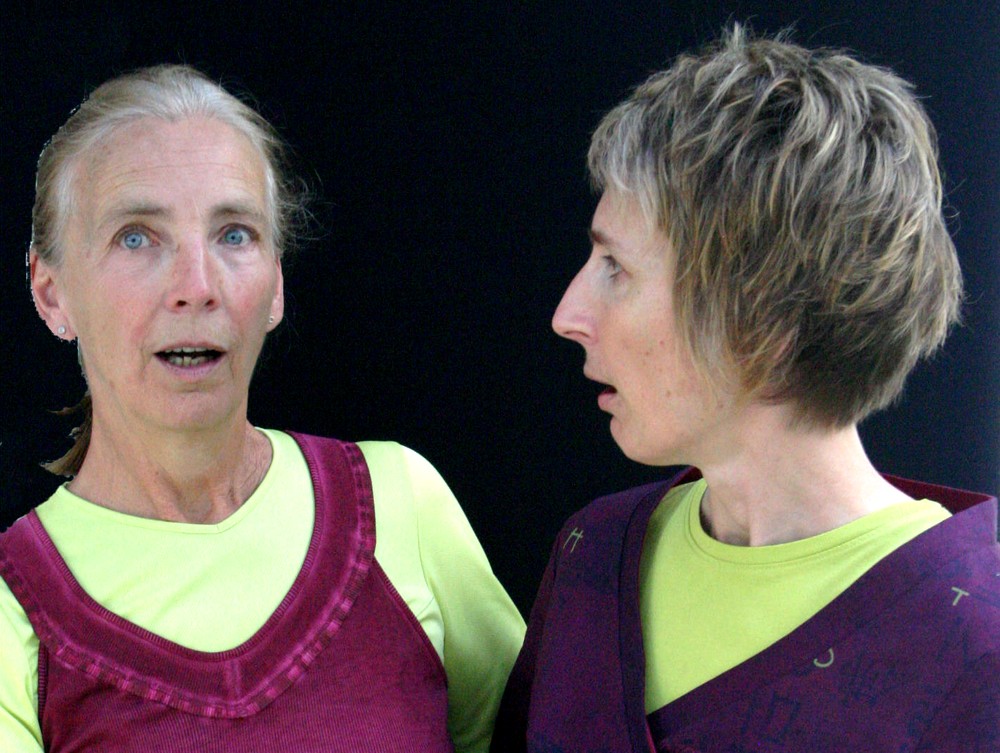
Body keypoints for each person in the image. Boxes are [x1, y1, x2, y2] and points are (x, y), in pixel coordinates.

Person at [491, 25, 999, 753]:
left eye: (616, 269)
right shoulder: (592, 555)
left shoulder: (975, 645)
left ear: (766, 321)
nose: (568, 315)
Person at [0, 64, 524, 752]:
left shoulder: (401, 504)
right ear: (50, 293)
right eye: (136, 236)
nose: (197, 286)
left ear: (275, 284)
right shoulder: (13, 610)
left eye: (234, 234)